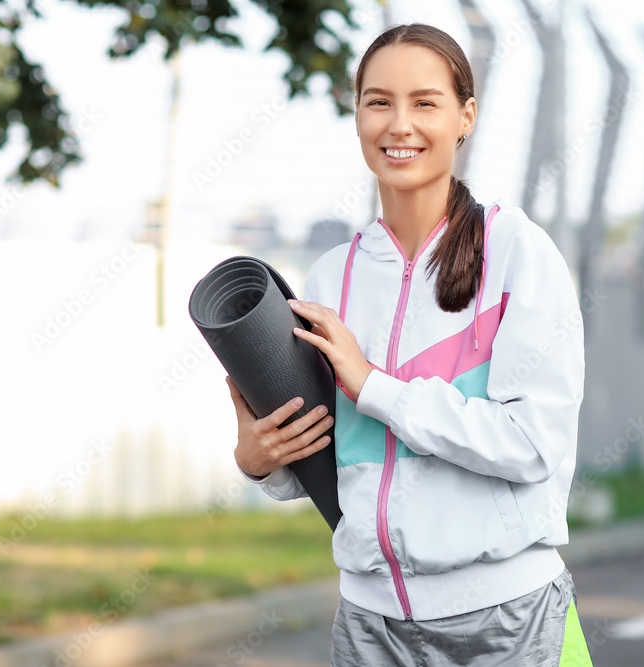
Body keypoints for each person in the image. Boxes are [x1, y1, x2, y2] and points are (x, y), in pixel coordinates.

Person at [225, 22, 593, 666]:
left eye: (425, 102)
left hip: (507, 622)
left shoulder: (515, 254)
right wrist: (262, 461)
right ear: (358, 115)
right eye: (378, 102)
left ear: (465, 117)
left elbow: (534, 444)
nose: (400, 125)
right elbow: (330, 466)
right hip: (370, 625)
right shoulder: (328, 277)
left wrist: (374, 386)